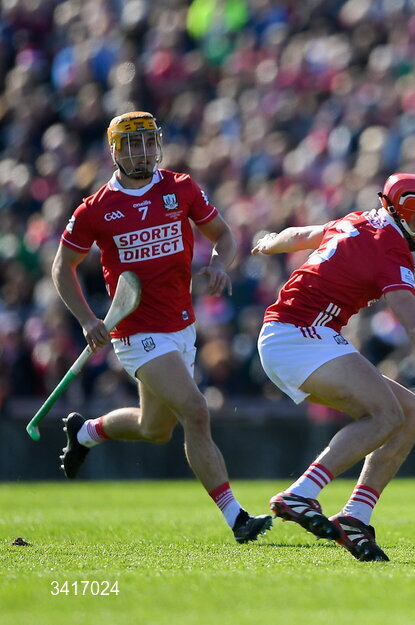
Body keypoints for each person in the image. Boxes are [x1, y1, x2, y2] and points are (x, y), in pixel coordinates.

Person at [53, 111, 273, 544]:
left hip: (181, 325)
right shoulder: (95, 209)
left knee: (155, 429)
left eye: (148, 142)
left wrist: (216, 264)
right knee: (196, 410)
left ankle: (85, 432)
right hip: (135, 331)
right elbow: (63, 268)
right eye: (131, 144)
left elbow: (224, 237)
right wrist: (85, 319)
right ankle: (237, 518)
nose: (142, 152)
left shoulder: (181, 188)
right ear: (114, 150)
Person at [252, 173, 415, 562]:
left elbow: (300, 236)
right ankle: (301, 493)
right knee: (385, 414)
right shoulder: (391, 248)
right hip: (298, 336)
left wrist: (267, 245)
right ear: (411, 216)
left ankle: (355, 516)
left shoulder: (360, 219)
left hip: (297, 337)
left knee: (411, 411)